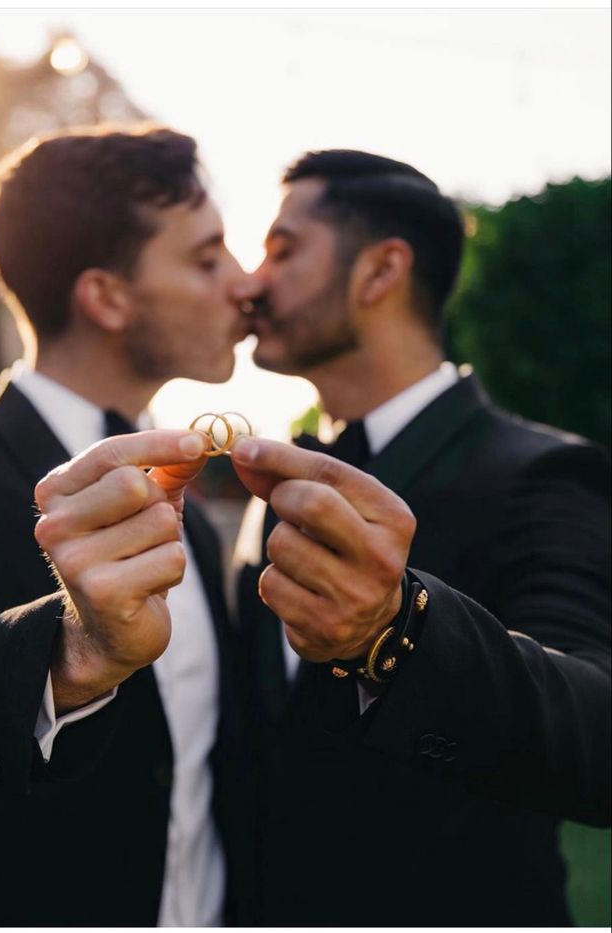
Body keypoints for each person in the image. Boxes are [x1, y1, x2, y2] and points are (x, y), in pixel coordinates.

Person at [0, 126, 259, 926]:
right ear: (107, 297)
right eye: (208, 257)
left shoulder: (210, 520)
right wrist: (75, 650)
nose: (244, 284)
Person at [235, 149, 611, 925]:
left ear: (379, 273)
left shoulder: (545, 472)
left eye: (282, 249)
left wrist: (398, 631)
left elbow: (598, 735)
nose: (250, 283)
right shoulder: (273, 485)